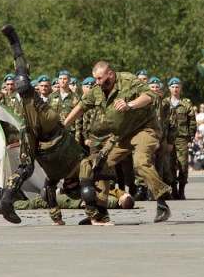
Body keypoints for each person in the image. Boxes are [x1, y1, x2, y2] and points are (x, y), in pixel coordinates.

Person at [0, 25, 88, 226]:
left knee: (25, 167)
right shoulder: (83, 165)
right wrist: (95, 213)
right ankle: (15, 44)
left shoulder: (55, 178)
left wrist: (57, 218)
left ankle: (5, 201)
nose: (70, 182)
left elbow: (49, 191)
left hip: (35, 138)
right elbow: (98, 175)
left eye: (70, 185)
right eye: (74, 184)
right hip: (50, 127)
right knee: (23, 84)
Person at [63, 61, 172, 224]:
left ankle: (162, 202)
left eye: (100, 78)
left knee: (141, 162)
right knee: (101, 164)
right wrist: (64, 124)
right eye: (95, 79)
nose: (97, 82)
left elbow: (150, 96)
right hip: (121, 134)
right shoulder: (98, 90)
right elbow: (81, 106)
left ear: (111, 75)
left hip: (144, 129)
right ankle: (100, 212)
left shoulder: (128, 80)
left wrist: (129, 105)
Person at [167, 77, 196, 199]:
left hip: (182, 138)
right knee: (170, 164)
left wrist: (191, 138)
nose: (175, 89)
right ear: (169, 88)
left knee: (183, 165)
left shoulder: (186, 104)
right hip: (168, 139)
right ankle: (173, 188)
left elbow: (192, 122)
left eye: (177, 87)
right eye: (173, 87)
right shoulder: (165, 103)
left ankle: (181, 190)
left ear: (180, 88)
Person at [48, 70, 82, 143]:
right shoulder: (51, 97)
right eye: (60, 79)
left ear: (69, 80)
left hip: (70, 133)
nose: (62, 81)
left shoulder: (76, 97)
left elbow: (79, 119)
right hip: (54, 134)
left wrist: (77, 137)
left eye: (65, 79)